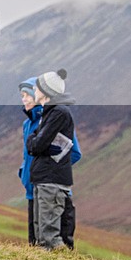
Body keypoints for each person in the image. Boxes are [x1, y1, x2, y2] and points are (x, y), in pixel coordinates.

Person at [19, 77, 81, 248]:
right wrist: (25, 171)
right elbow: (32, 148)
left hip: (50, 182)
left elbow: (72, 152)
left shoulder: (57, 115)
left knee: (50, 237)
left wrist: (51, 166)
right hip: (36, 184)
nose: (23, 99)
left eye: (28, 93)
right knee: (38, 240)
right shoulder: (30, 122)